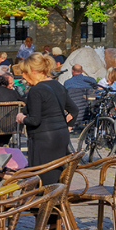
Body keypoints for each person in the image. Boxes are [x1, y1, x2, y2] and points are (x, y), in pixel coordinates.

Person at [17, 54, 73, 182]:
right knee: (56, 176)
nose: (23, 76)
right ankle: (58, 194)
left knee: (42, 179)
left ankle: (46, 195)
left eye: (24, 72)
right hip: (61, 135)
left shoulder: (36, 90)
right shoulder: (57, 85)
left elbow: (34, 120)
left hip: (44, 139)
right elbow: (74, 110)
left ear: (33, 71)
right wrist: (68, 125)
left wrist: (21, 118)